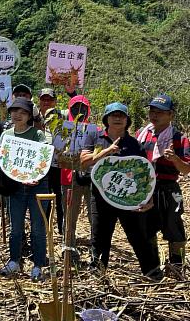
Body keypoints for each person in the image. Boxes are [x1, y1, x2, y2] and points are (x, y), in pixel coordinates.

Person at [80, 102, 162, 279]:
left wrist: (148, 197)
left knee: (138, 235)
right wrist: (107, 152)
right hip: (100, 196)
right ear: (106, 119)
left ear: (127, 121)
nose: (117, 118)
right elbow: (84, 161)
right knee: (99, 235)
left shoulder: (134, 144)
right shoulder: (95, 137)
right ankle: (97, 274)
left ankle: (152, 273)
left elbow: (145, 174)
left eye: (121, 116)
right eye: (113, 115)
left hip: (128, 197)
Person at [0, 98, 49, 281]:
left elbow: (44, 158)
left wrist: (36, 176)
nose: (17, 115)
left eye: (23, 112)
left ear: (29, 116)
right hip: (15, 187)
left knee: (38, 227)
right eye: (14, 111)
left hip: (37, 186)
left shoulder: (37, 135)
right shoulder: (6, 135)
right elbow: (2, 160)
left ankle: (38, 265)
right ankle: (14, 261)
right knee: (15, 227)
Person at [137, 94, 190, 268]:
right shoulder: (142, 135)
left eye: (160, 112)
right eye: (152, 111)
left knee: (174, 225)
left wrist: (175, 159)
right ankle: (152, 266)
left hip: (168, 188)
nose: (155, 115)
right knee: (146, 227)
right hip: (146, 188)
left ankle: (177, 265)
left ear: (171, 115)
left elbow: (186, 169)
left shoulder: (179, 139)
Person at [56, 94, 96, 259]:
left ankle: (96, 246)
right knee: (70, 214)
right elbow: (57, 155)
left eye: (83, 108)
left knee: (94, 214)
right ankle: (69, 246)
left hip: (91, 177)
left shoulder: (94, 130)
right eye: (75, 108)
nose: (79, 111)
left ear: (88, 110)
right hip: (68, 178)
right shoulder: (63, 129)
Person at [39, 88, 64, 233]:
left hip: (58, 164)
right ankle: (44, 227)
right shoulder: (33, 117)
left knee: (59, 196)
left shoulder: (62, 116)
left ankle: (61, 228)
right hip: (41, 165)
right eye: (44, 99)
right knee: (44, 196)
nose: (46, 102)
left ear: (55, 101)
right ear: (39, 100)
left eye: (50, 99)